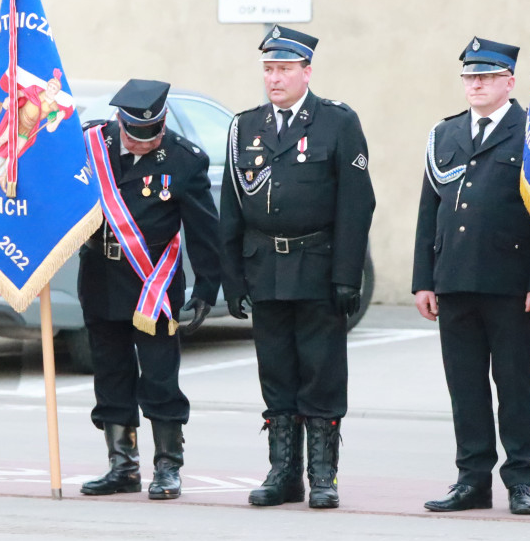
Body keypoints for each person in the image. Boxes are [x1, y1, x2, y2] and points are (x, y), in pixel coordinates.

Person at [220, 25, 375, 509]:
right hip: (264, 266)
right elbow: (231, 209)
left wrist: (348, 274)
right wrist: (233, 279)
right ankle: (283, 472)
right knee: (277, 373)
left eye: (284, 69)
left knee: (322, 373)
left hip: (317, 265)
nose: (275, 78)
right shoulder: (245, 127)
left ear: (307, 71)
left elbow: (357, 204)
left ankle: (322, 475)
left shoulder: (335, 123)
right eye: (269, 69)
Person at [413, 37, 530, 514]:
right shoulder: (446, 133)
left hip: (511, 283)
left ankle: (520, 478)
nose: (475, 84)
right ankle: (472, 478)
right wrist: (424, 279)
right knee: (466, 385)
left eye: (486, 76)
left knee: (514, 382)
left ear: (509, 82)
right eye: (470, 77)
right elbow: (428, 211)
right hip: (454, 279)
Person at [78, 79, 220, 500]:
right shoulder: (92, 145)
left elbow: (203, 229)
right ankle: (121, 466)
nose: (142, 143)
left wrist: (207, 289)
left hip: (153, 284)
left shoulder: (183, 159)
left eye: (151, 134)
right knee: (111, 372)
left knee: (159, 375)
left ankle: (167, 467)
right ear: (119, 120)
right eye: (134, 134)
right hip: (101, 276)